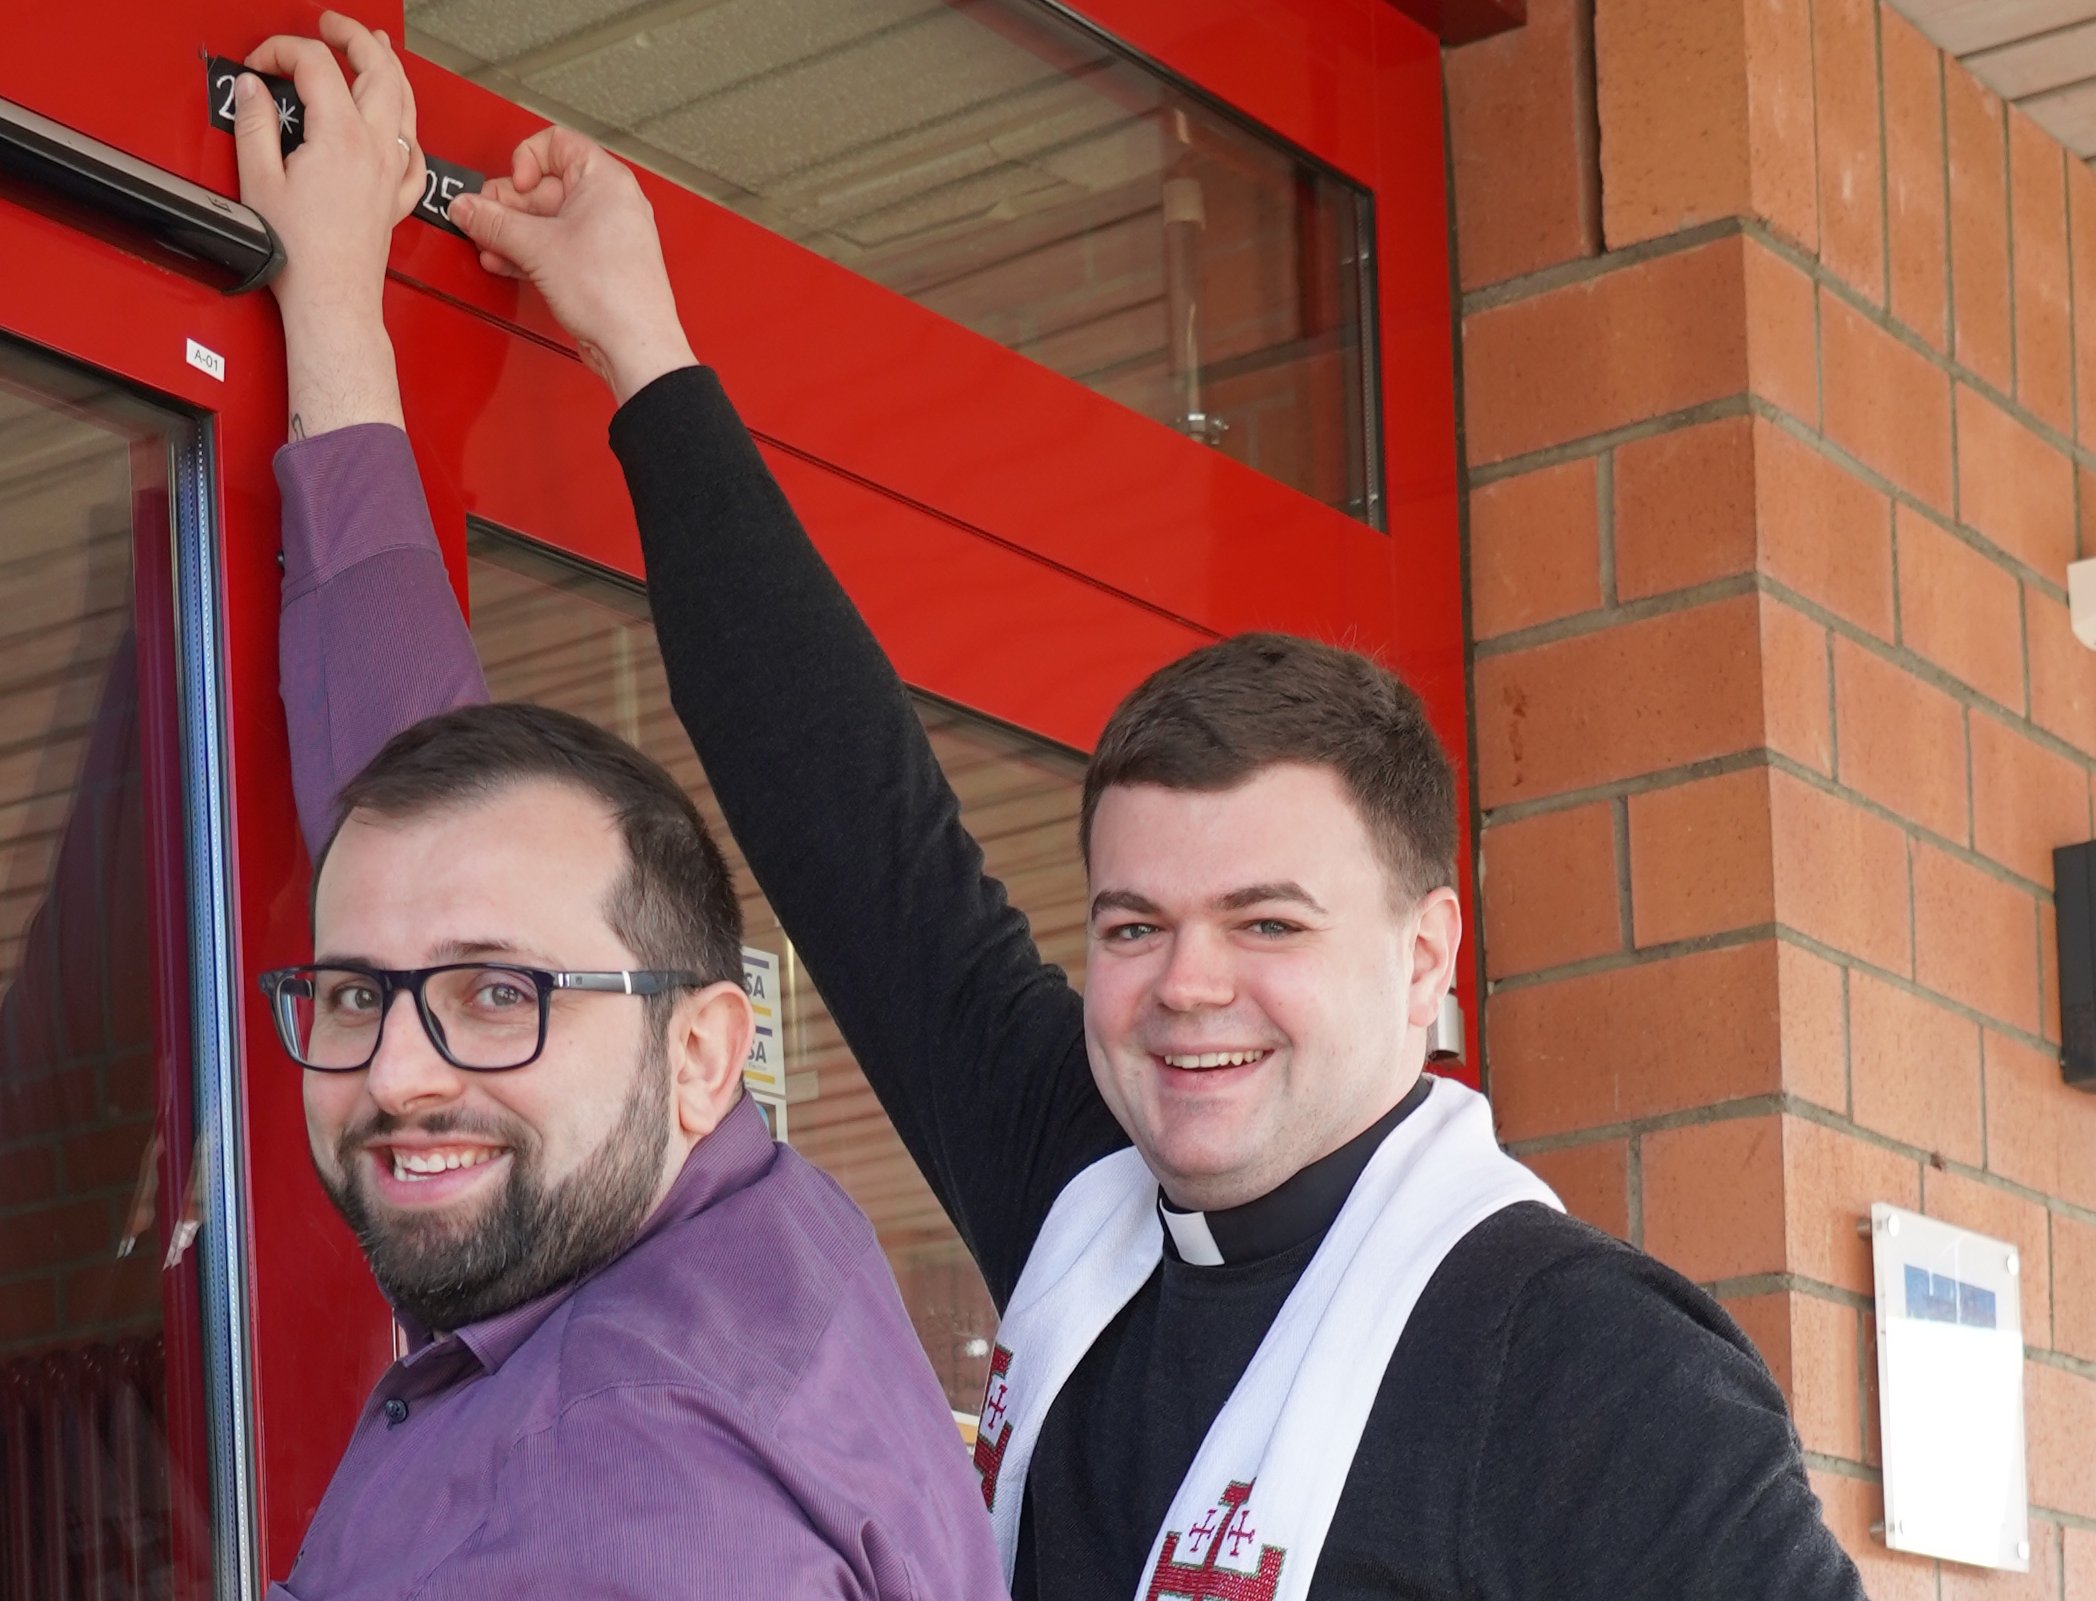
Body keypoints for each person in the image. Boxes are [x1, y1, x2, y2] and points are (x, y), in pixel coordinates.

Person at [420, 126, 1872, 1599]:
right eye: (1134, 925)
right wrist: (638, 340)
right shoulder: (1085, 1185)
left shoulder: (1582, 1356)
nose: (1188, 985)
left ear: (1425, 952)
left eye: (1267, 922)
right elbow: (846, 816)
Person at [226, 21, 1001, 1599]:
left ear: (703, 1051)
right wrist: (343, 321)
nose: (401, 1070)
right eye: (357, 994)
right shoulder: (724, 1235)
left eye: (496, 994)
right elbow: (437, 818)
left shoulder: (608, 1483)